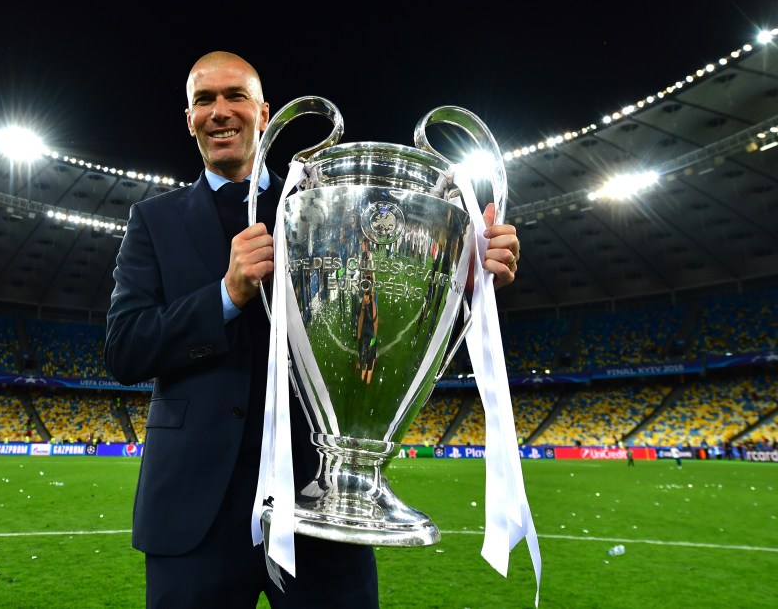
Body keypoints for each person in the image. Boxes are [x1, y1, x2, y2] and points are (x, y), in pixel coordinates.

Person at [104, 51, 522, 609]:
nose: (220, 111)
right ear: (189, 117)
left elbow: (380, 328)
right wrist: (224, 296)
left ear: (264, 113)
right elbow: (125, 349)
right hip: (193, 515)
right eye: (204, 100)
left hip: (325, 505)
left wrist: (455, 278)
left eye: (236, 97)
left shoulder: (325, 204)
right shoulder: (153, 221)